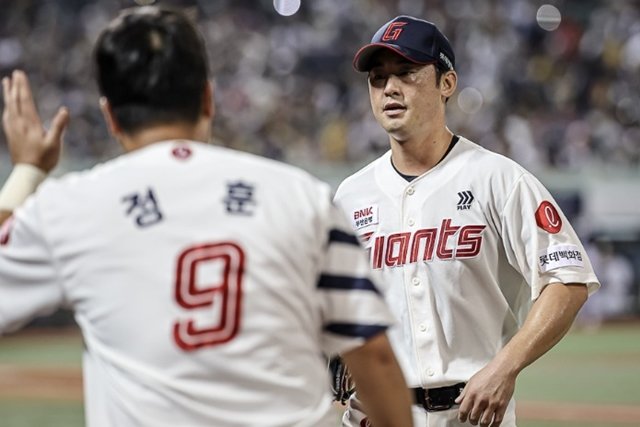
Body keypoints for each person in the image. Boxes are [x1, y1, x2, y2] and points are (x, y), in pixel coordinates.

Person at [0, 7, 413, 427]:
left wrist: (28, 171)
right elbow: (374, 357)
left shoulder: (71, 205)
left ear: (109, 116)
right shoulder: (302, 195)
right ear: (208, 98)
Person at [333, 15, 600, 427]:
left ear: (447, 83)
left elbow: (568, 279)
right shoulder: (351, 195)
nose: (389, 88)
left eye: (406, 72)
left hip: (471, 414)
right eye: (377, 77)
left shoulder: (497, 179)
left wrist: (506, 367)